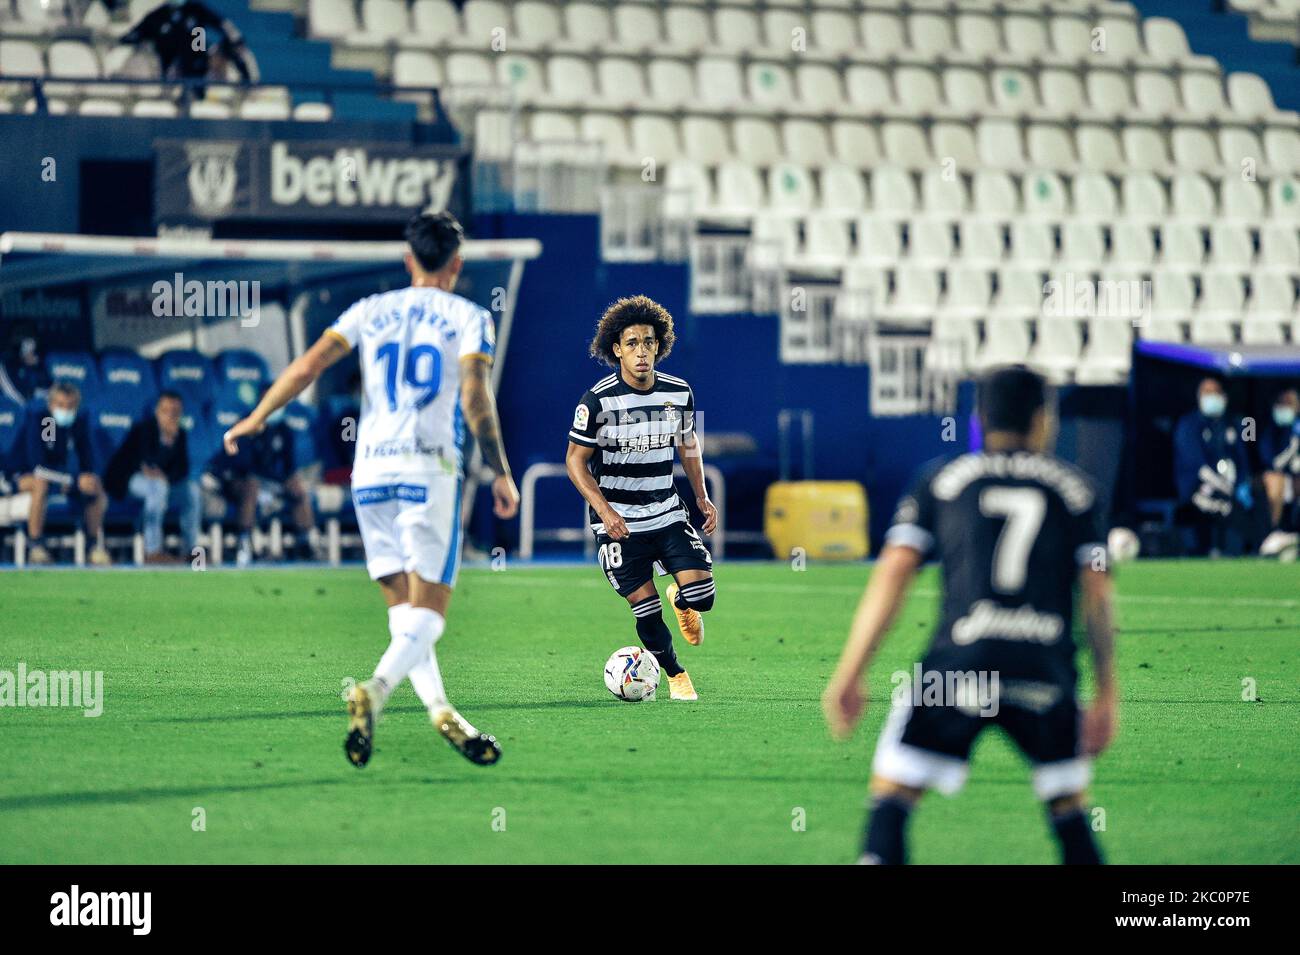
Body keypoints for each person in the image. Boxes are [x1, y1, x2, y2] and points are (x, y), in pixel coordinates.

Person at [222, 211, 519, 769]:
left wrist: (257, 416)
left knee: (404, 612)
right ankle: (374, 691)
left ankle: (442, 711)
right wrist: (499, 469)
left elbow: (309, 366)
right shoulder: (469, 316)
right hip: (428, 471)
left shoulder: (370, 310)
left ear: (409, 260)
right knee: (429, 612)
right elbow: (475, 397)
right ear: (457, 264)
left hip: (372, 475)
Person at [823, 366, 1117, 865]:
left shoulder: (942, 480)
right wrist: (1107, 691)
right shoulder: (1076, 491)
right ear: (1043, 420)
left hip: (958, 665)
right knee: (1067, 807)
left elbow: (895, 569)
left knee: (893, 793)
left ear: (979, 418)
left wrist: (851, 671)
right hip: (1043, 669)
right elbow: (1096, 592)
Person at [565, 296, 718, 702]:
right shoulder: (597, 401)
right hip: (618, 523)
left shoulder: (678, 393)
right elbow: (575, 462)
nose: (641, 351)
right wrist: (604, 511)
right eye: (631, 343)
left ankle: (682, 599)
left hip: (666, 512)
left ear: (659, 346)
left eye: (648, 342)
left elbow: (688, 445)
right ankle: (675, 674)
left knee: (705, 597)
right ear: (616, 349)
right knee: (646, 611)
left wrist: (701, 496)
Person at [17, 381, 110, 566]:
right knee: (41, 483)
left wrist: (87, 478)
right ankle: (36, 547)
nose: (65, 410)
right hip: (21, 475)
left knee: (94, 485)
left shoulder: (78, 424)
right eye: (60, 405)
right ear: (51, 405)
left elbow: (88, 460)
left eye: (70, 406)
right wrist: (73, 481)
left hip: (57, 477)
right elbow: (40, 467)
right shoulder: (47, 422)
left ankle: (93, 546)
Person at [104, 390, 200, 564]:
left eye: (175, 412)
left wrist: (170, 445)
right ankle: (152, 551)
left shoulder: (180, 434)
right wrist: (158, 468)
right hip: (130, 481)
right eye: (166, 411)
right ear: (157, 411)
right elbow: (143, 462)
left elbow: (182, 470)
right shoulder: (143, 429)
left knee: (191, 491)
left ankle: (191, 551)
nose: (171, 416)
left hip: (164, 484)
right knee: (158, 488)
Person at [1173, 377, 1252, 556]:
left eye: (1216, 393)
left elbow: (1243, 457)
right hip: (1197, 489)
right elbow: (1198, 466)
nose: (1212, 398)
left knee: (1247, 505)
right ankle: (1209, 549)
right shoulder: (1188, 424)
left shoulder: (1240, 422)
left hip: (1231, 487)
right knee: (1220, 508)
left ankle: (1260, 546)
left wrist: (1242, 482)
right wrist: (1224, 486)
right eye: (1207, 393)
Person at [119, 0, 253, 97]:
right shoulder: (159, 14)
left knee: (198, 47)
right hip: (170, 70)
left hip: (197, 62)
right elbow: (134, 35)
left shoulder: (197, 10)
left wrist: (235, 38)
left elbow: (224, 25)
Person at [1259, 388, 1299, 544]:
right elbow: (1273, 464)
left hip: (1295, 479)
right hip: (1274, 478)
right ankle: (1273, 532)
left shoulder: (1297, 427)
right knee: (1277, 481)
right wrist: (1292, 449)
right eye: (1281, 403)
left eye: (1289, 403)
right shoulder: (1268, 430)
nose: (1285, 407)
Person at [0, 337, 51, 405]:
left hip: (36, 404)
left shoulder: (40, 366)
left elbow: (48, 388)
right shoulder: (8, 364)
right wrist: (25, 404)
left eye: (33, 353)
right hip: (11, 406)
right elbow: (11, 391)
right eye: (28, 352)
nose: (31, 356)